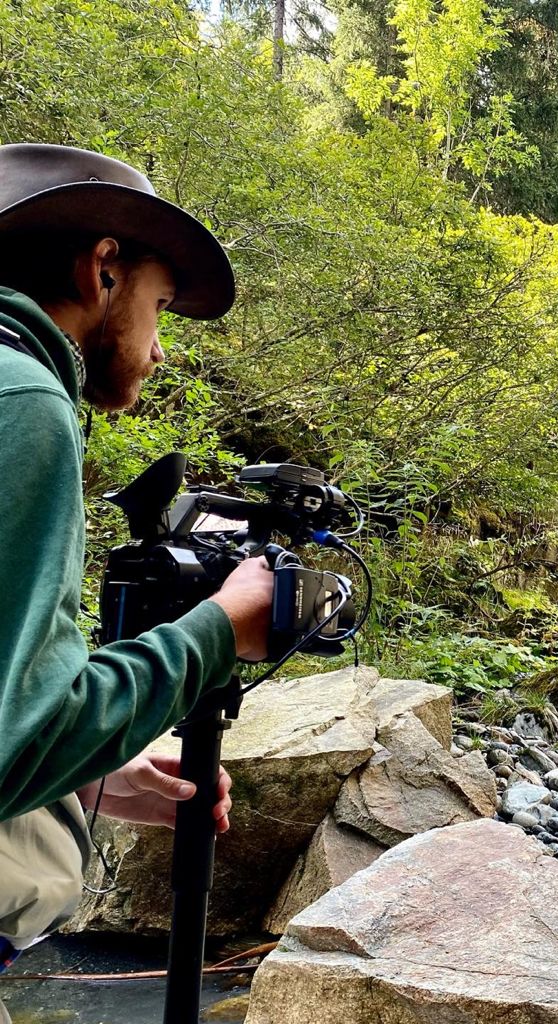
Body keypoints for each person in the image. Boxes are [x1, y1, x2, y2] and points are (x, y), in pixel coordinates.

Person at [0, 143, 274, 1001]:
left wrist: (87, 774)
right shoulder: (23, 400)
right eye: (158, 306)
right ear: (102, 269)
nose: (158, 352)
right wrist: (218, 631)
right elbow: (15, 742)